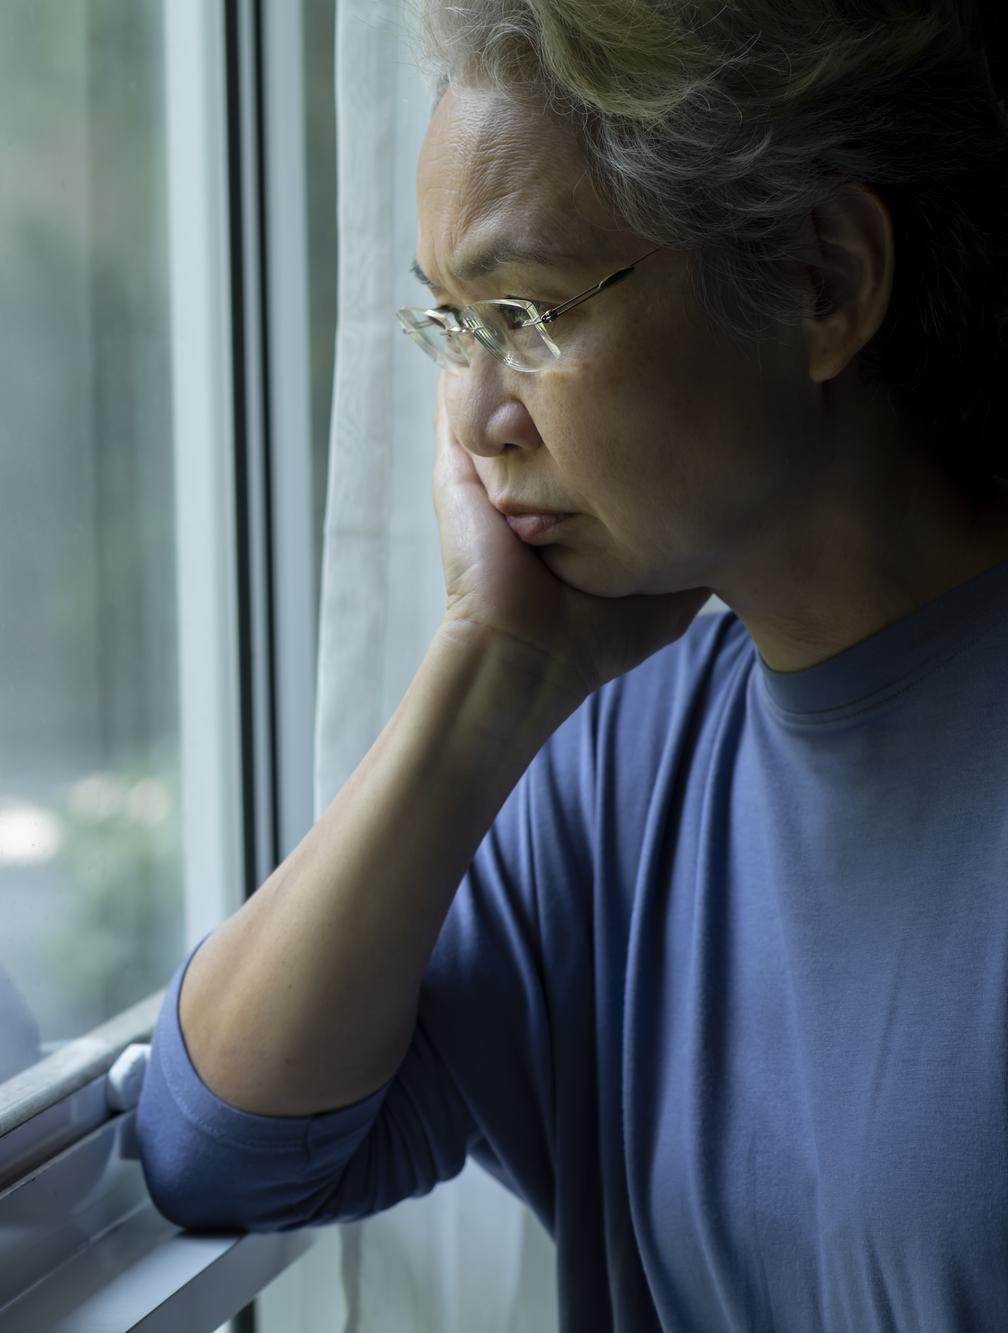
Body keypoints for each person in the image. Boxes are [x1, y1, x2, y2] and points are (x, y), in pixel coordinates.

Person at [138, 0, 1008, 1327]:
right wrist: (492, 671)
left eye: (528, 314)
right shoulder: (622, 770)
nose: (482, 419)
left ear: (821, 281)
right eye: (451, 326)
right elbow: (223, 1145)